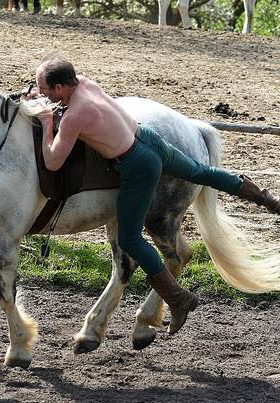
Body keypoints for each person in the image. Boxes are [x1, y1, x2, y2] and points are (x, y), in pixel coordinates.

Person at [27, 55, 280, 333]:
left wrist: (46, 119)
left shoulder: (75, 116)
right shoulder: (86, 85)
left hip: (137, 164)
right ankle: (267, 199)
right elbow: (73, 106)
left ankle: (177, 299)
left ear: (62, 87)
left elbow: (52, 161)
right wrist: (47, 101)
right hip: (150, 138)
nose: (43, 94)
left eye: (46, 89)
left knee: (130, 239)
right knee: (200, 172)